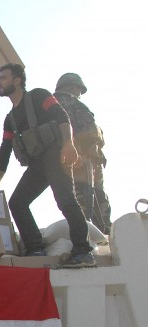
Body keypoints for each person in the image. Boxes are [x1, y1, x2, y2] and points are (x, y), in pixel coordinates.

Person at [0, 63, 95, 267]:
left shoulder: (38, 96)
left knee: (66, 200)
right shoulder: (10, 119)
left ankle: (83, 252)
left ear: (17, 81)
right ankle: (35, 247)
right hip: (37, 164)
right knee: (17, 203)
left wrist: (68, 143)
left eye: (3, 78)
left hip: (56, 156)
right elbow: (5, 150)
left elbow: (61, 116)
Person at [54, 73, 112, 234]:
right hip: (83, 158)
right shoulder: (73, 103)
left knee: (76, 198)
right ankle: (101, 232)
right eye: (79, 89)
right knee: (93, 197)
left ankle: (86, 232)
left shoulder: (51, 104)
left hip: (63, 161)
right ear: (73, 87)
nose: (79, 93)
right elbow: (90, 132)